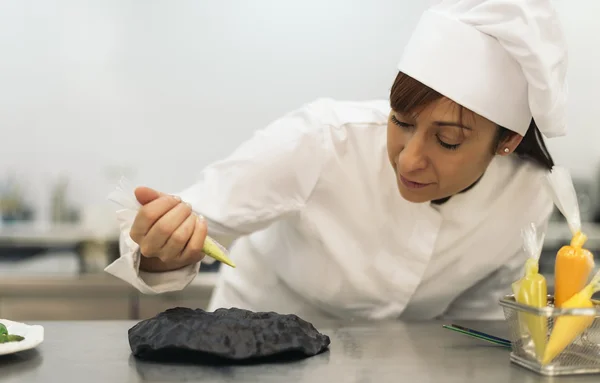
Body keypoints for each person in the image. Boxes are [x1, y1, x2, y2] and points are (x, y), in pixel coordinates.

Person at [105, 0, 568, 320]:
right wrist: (162, 247)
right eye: (401, 122)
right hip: (254, 351)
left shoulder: (526, 194)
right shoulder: (322, 139)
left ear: (507, 139)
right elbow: (185, 230)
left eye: (447, 141)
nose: (409, 161)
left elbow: (479, 322)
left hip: (397, 370)